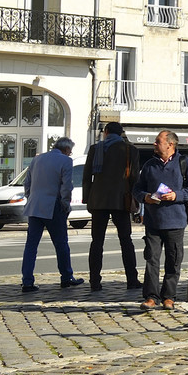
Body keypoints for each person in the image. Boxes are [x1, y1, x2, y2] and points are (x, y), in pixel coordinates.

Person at [133, 130, 188, 310]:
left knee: (173, 260)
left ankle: (169, 297)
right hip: (153, 221)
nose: (154, 144)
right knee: (151, 259)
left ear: (170, 144)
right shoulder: (149, 165)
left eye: (158, 141)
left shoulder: (184, 163)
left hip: (175, 221)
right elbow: (137, 189)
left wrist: (176, 195)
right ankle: (151, 297)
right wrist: (145, 197)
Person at [82, 121, 140, 293]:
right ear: (121, 133)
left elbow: (86, 176)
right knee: (126, 241)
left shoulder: (95, 149)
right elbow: (134, 177)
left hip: (98, 201)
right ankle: (132, 279)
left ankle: (94, 281)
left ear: (106, 131)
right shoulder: (130, 150)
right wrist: (136, 200)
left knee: (97, 242)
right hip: (120, 200)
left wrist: (87, 198)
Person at [20, 137, 83, 294]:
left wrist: (31, 197)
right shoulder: (66, 161)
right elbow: (66, 186)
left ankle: (27, 280)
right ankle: (66, 276)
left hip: (34, 205)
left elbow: (27, 183)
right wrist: (65, 204)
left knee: (31, 245)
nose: (70, 154)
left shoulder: (37, 159)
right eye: (70, 151)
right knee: (61, 243)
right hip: (53, 204)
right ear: (66, 150)